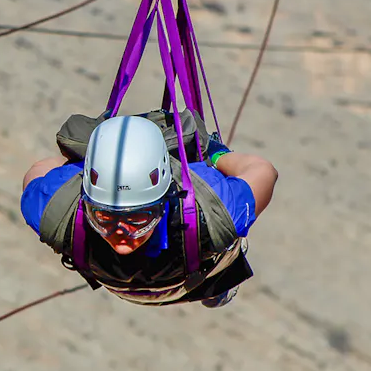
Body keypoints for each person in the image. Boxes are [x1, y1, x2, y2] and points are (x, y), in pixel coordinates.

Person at [21, 110, 278, 308]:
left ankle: (217, 286)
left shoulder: (210, 211)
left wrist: (76, 164)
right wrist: (216, 155)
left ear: (162, 206)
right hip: (195, 274)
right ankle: (216, 288)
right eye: (103, 218)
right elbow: (261, 171)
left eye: (138, 219)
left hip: (184, 273)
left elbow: (37, 172)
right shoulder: (216, 211)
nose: (120, 233)